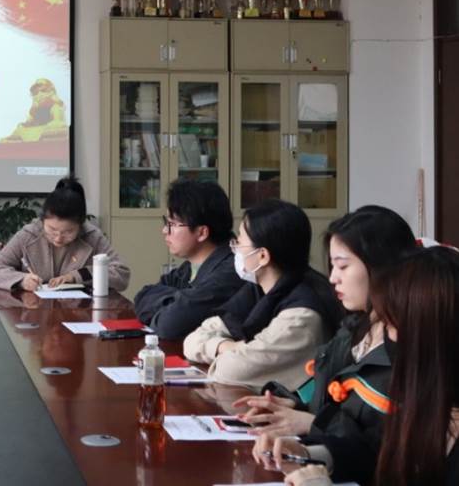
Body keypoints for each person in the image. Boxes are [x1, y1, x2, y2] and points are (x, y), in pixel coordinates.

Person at [234, 206, 417, 484]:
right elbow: (333, 399)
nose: (333, 278)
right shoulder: (353, 328)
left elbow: (380, 447)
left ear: (381, 267)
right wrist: (296, 407)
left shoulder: (407, 347)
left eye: (343, 266)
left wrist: (311, 423)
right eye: (332, 266)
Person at [263, 246, 459, 486]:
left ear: (432, 336)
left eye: (391, 325)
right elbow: (375, 453)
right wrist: (309, 454)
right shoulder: (427, 403)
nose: (385, 336)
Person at [183, 199, 342, 390]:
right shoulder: (259, 289)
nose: (235, 248)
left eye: (239, 242)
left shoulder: (301, 316)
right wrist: (226, 346)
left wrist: (229, 351)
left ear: (263, 256)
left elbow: (230, 371)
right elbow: (192, 340)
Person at [133, 179, 243, 339]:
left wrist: (176, 302)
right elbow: (142, 297)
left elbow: (168, 325)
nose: (164, 230)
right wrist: (180, 298)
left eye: (172, 224)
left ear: (201, 232)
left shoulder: (230, 272)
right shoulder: (190, 267)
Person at [0, 177, 130, 293]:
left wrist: (77, 276)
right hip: (33, 311)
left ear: (81, 225)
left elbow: (121, 274)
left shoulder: (92, 236)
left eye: (68, 232)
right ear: (42, 220)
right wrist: (21, 280)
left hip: (79, 312)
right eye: (52, 229)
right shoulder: (29, 234)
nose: (58, 238)